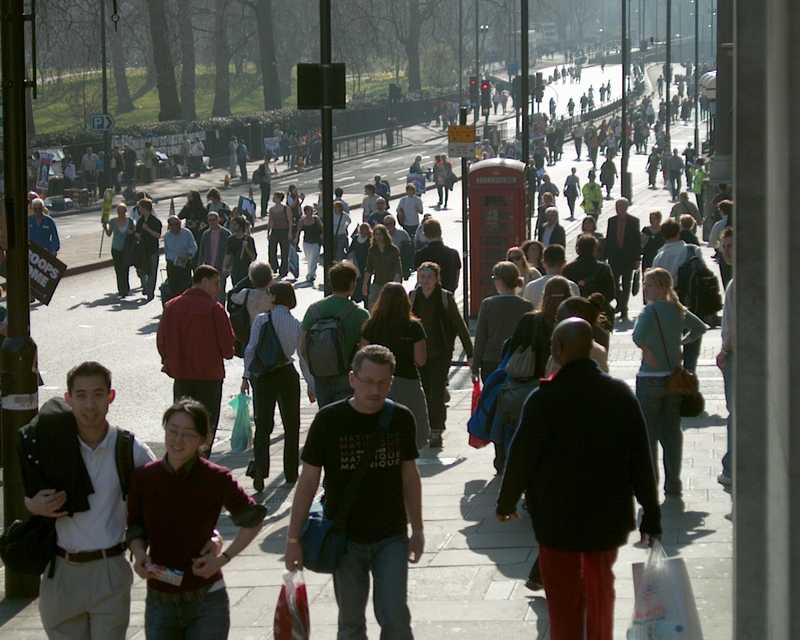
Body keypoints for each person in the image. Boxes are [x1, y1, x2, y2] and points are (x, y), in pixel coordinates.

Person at [497, 318, 662, 640]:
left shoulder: (543, 400)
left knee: (562, 601)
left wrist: (506, 503)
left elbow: (520, 457)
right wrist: (651, 517)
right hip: (607, 518)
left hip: (556, 520)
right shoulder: (619, 395)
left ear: (558, 350)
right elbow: (642, 461)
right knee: (600, 593)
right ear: (590, 349)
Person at [283, 345, 423, 639]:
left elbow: (410, 476)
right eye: (368, 381)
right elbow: (308, 482)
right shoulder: (329, 421)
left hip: (391, 535)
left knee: (396, 618)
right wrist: (294, 538)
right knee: (351, 623)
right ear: (352, 379)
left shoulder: (401, 419)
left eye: (383, 382)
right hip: (345, 538)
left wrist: (418, 529)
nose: (375, 389)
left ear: (392, 382)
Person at [19, 362, 161, 639]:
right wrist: (33, 506)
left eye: (97, 394)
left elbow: (160, 502)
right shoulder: (51, 446)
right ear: (68, 398)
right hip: (60, 572)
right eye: (81, 395)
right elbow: (28, 496)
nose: (89, 405)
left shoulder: (129, 449)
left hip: (109, 569)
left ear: (111, 396)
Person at [127, 399, 265, 639]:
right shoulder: (145, 477)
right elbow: (135, 525)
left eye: (188, 434)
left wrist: (222, 559)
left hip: (207, 598)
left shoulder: (216, 478)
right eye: (172, 431)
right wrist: (139, 554)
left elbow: (252, 520)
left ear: (203, 440)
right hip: (160, 600)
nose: (177, 440)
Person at [633, 268, 706, 496]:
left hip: (649, 379)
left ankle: (651, 482)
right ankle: (673, 483)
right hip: (673, 379)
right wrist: (681, 344)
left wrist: (648, 350)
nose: (645, 289)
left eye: (650, 285)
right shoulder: (678, 309)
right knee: (672, 433)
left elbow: (637, 336)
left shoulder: (649, 311)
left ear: (662, 287)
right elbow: (699, 328)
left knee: (649, 434)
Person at [156, 265, 235, 454]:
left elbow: (161, 341)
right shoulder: (214, 309)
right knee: (205, 425)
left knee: (183, 425)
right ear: (204, 281)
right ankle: (202, 465)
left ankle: (182, 462)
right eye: (216, 284)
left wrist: (169, 361)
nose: (218, 288)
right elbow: (227, 348)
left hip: (181, 376)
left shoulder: (172, 306)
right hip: (209, 377)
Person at [242, 282, 310, 489]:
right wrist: (311, 384)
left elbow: (251, 349)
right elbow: (303, 357)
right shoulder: (296, 324)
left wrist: (246, 376)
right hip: (288, 374)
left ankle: (260, 471)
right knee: (292, 425)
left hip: (264, 376)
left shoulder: (262, 320)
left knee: (263, 425)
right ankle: (291, 473)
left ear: (274, 298)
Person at [411, 262, 473, 448]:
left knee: (435, 393)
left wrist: (470, 354)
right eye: (422, 277)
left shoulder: (445, 298)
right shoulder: (413, 297)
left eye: (429, 277)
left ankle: (436, 431)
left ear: (437, 279)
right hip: (419, 352)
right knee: (424, 391)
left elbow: (460, 326)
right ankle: (426, 425)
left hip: (441, 352)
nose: (426, 281)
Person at [362, 283, 431, 448]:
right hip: (408, 381)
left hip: (378, 382)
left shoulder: (371, 326)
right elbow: (420, 360)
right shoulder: (414, 327)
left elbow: (363, 356)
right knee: (413, 430)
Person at [300, 262, 370, 407]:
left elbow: (302, 346)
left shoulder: (314, 310)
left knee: (326, 419)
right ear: (352, 284)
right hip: (347, 376)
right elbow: (366, 350)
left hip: (321, 375)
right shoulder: (361, 315)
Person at [473, 261, 534, 381]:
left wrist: (475, 366)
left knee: (493, 397)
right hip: (518, 360)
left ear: (499, 280)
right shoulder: (527, 306)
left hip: (491, 360)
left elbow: (480, 337)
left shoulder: (488, 304)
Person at [716, 228, 734, 488]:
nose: (728, 251)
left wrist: (725, 351)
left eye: (732, 246)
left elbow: (736, 325)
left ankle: (731, 467)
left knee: (735, 413)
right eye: (725, 246)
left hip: (737, 357)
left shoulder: (737, 282)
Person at [604, 198, 641, 322]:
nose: (618, 209)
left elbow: (637, 241)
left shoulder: (634, 221)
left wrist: (637, 259)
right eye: (617, 207)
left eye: (620, 207)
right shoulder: (611, 221)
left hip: (628, 259)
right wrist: (605, 255)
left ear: (626, 208)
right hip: (614, 258)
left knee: (626, 284)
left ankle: (624, 309)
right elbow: (609, 239)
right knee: (613, 284)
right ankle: (620, 304)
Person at [413, 218, 461, 292]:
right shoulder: (453, 253)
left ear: (425, 234)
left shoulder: (420, 254)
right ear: (440, 232)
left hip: (428, 296)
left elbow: (419, 279)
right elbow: (456, 278)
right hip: (448, 294)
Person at [563, 235, 615, 304]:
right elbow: (611, 294)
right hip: (598, 309)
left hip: (576, 309)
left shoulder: (568, 268)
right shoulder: (604, 268)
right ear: (594, 249)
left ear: (577, 249)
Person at [362, 224, 402, 308]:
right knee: (372, 304)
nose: (378, 236)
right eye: (376, 234)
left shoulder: (393, 249)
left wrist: (396, 284)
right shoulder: (372, 250)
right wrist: (365, 284)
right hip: (377, 282)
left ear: (385, 235)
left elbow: (398, 269)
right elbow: (369, 268)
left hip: (390, 282)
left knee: (390, 306)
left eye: (380, 234)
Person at [198, 211, 232, 300]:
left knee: (220, 292)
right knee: (209, 292)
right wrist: (199, 267)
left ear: (218, 220)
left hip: (221, 268)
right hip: (209, 268)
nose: (212, 222)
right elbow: (201, 252)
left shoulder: (226, 234)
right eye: (209, 220)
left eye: (214, 219)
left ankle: (220, 311)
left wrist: (228, 268)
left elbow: (231, 253)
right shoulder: (205, 234)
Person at [104, 203, 135, 297]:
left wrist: (131, 232)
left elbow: (134, 232)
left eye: (122, 211)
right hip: (116, 248)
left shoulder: (130, 221)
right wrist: (105, 227)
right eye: (118, 211)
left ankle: (126, 288)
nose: (120, 213)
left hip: (126, 249)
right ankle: (121, 289)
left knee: (125, 268)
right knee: (118, 269)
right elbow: (109, 234)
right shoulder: (113, 221)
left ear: (125, 211)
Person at [135, 198, 162, 303]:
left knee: (152, 271)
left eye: (140, 207)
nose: (139, 210)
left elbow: (158, 235)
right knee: (141, 269)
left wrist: (147, 229)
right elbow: (137, 234)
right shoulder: (140, 220)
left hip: (152, 249)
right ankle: (145, 287)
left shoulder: (155, 221)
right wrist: (137, 235)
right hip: (142, 249)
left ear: (145, 208)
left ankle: (150, 292)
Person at [163, 216, 198, 297]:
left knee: (186, 288)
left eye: (177, 224)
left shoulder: (187, 233)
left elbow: (193, 246)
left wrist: (188, 254)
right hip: (172, 265)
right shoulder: (167, 236)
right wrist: (176, 258)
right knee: (174, 288)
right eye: (172, 224)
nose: (175, 226)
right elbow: (167, 252)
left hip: (185, 264)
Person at [223, 216, 257, 288]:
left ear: (240, 225)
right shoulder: (231, 239)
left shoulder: (249, 239)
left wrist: (246, 248)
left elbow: (253, 257)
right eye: (232, 224)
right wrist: (225, 267)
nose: (232, 226)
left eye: (235, 224)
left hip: (246, 271)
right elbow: (228, 254)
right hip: (235, 271)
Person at [267, 191, 293, 279]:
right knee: (271, 250)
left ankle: (283, 270)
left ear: (279, 198)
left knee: (284, 251)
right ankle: (274, 267)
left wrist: (290, 232)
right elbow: (270, 221)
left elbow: (290, 221)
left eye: (274, 197)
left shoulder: (286, 208)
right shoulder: (271, 209)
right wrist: (268, 232)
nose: (273, 198)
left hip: (284, 231)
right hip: (274, 231)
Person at [294, 205, 322, 283]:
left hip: (316, 241)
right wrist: (296, 238)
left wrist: (322, 236)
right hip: (306, 242)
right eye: (309, 210)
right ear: (305, 212)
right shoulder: (302, 220)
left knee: (314, 258)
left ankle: (310, 275)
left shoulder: (316, 219)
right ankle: (312, 273)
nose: (311, 212)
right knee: (309, 258)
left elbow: (322, 228)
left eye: (312, 210)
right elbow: (298, 231)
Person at [383, 214, 414, 279]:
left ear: (394, 224)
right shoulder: (382, 236)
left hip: (399, 264)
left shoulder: (403, 234)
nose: (388, 226)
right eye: (386, 224)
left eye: (390, 223)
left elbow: (409, 251)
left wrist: (407, 267)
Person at [640, 210, 665, 275]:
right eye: (650, 218)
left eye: (654, 218)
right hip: (647, 257)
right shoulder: (646, 230)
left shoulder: (664, 230)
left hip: (660, 258)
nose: (651, 220)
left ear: (659, 219)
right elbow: (641, 244)